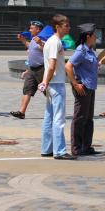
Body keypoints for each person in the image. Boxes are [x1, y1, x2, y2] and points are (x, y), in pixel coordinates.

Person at [38, 14, 76, 160]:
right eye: (66, 25)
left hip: (50, 84)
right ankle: (59, 151)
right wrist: (46, 82)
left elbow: (47, 65)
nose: (69, 27)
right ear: (57, 27)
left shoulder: (49, 42)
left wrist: (44, 83)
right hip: (56, 83)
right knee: (59, 119)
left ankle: (46, 148)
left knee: (49, 117)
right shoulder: (55, 42)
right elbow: (52, 65)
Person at [65, 23, 100, 156]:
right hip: (83, 87)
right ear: (88, 36)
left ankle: (86, 146)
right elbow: (68, 66)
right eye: (94, 34)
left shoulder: (90, 50)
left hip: (90, 87)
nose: (96, 37)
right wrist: (75, 84)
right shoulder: (81, 50)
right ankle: (76, 147)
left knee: (88, 118)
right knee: (79, 118)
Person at [10, 20, 45, 119]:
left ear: (38, 29)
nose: (30, 30)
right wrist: (23, 41)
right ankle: (22, 112)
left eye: (32, 28)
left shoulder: (43, 39)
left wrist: (41, 43)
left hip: (41, 69)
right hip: (32, 69)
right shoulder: (34, 39)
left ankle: (55, 110)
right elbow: (31, 48)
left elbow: (48, 50)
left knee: (48, 91)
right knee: (27, 90)